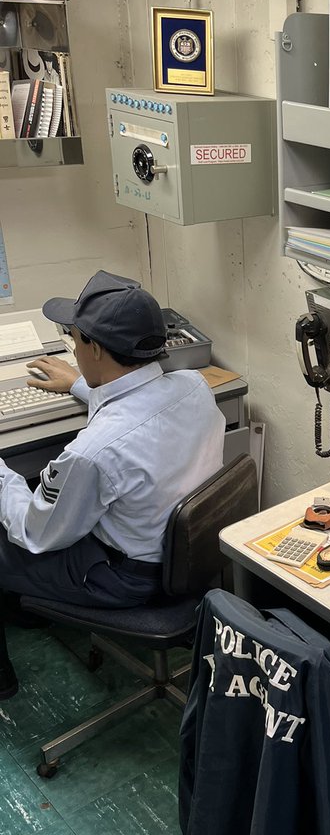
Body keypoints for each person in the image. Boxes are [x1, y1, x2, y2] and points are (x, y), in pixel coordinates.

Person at [0, 271, 225, 700]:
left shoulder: (93, 453)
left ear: (95, 349)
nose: (72, 344)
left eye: (74, 336)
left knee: (12, 518)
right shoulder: (194, 387)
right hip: (191, 557)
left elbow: (36, 534)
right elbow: (141, 402)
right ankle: (28, 608)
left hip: (126, 579)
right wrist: (82, 384)